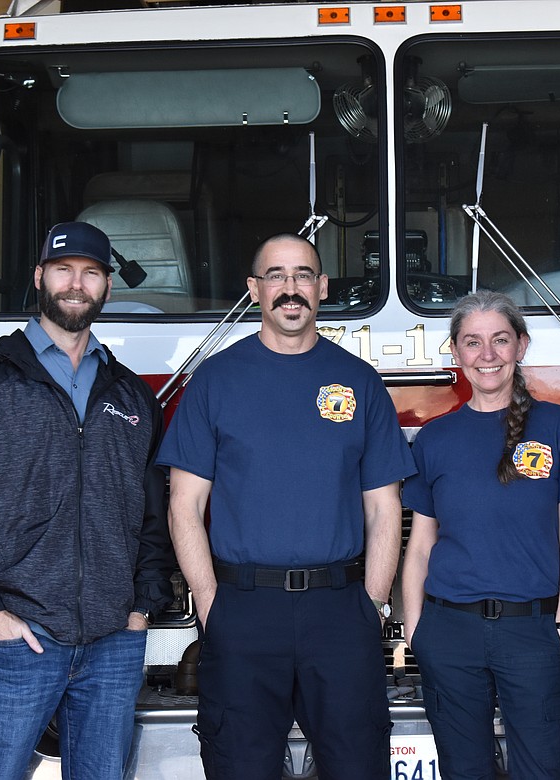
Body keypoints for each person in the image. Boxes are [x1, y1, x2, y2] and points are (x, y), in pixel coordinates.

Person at [157, 233, 415, 780]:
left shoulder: (360, 382)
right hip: (244, 611)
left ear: (322, 288)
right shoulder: (215, 381)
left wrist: (369, 605)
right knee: (240, 767)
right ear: (254, 290)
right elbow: (184, 504)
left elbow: (384, 509)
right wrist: (209, 602)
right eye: (275, 275)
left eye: (303, 275)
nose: (290, 289)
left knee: (357, 765)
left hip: (339, 611)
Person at [0, 221, 174, 779]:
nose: (76, 284)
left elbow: (155, 514)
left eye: (91, 273)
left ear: (107, 287)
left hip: (112, 643)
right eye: (64, 269)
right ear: (40, 277)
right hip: (17, 639)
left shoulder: (131, 394)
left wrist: (139, 608)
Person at [401, 289, 560, 779]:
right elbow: (421, 545)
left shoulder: (558, 427)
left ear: (521, 346)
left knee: (543, 768)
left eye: (500, 340)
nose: (486, 355)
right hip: (449, 632)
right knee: (463, 770)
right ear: (455, 351)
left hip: (532, 631)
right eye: (472, 342)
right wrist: (416, 631)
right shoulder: (435, 438)